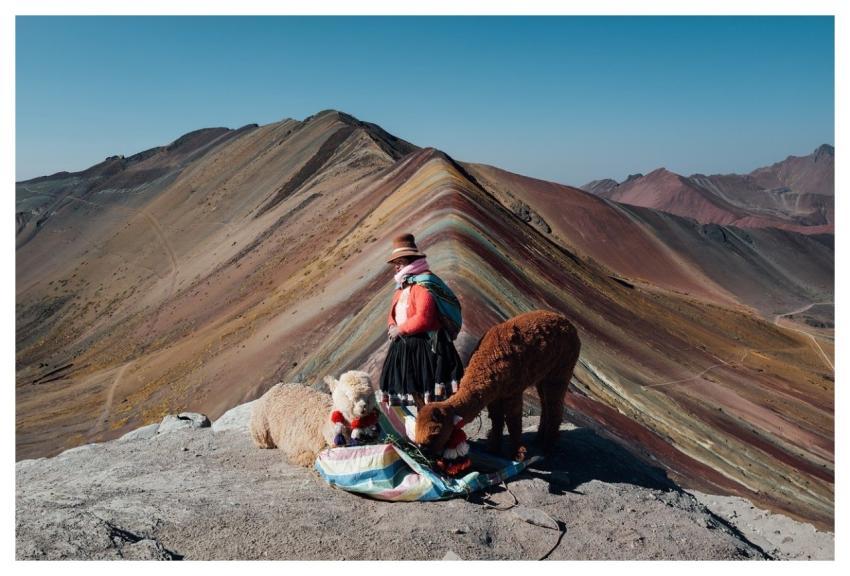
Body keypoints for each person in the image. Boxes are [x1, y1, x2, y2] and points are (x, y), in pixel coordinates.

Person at [379, 233, 464, 407]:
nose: (396, 267)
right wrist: (392, 325)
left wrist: (400, 330)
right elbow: (392, 313)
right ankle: (420, 428)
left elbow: (424, 318)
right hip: (404, 347)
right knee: (413, 396)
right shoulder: (402, 286)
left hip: (426, 348)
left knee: (430, 397)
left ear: (411, 261)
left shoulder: (424, 284)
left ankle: (438, 429)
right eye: (395, 264)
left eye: (400, 263)